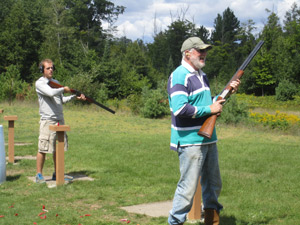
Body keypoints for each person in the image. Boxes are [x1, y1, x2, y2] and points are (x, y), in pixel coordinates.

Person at [167, 37, 240, 225]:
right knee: (187, 190)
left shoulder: (201, 75)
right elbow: (180, 109)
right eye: (200, 51)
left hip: (208, 139)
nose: (204, 54)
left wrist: (227, 93)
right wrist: (210, 109)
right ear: (187, 53)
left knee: (214, 186)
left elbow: (209, 105)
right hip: (190, 141)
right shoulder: (179, 76)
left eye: (205, 50)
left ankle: (212, 222)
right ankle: (175, 222)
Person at [35, 59, 86, 183]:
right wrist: (64, 89)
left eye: (52, 68)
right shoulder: (40, 83)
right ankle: (39, 175)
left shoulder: (55, 83)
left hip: (59, 120)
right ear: (42, 70)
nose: (51, 70)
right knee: (43, 148)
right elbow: (51, 93)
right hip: (48, 120)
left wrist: (75, 97)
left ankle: (57, 173)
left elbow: (61, 100)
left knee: (58, 148)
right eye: (48, 68)